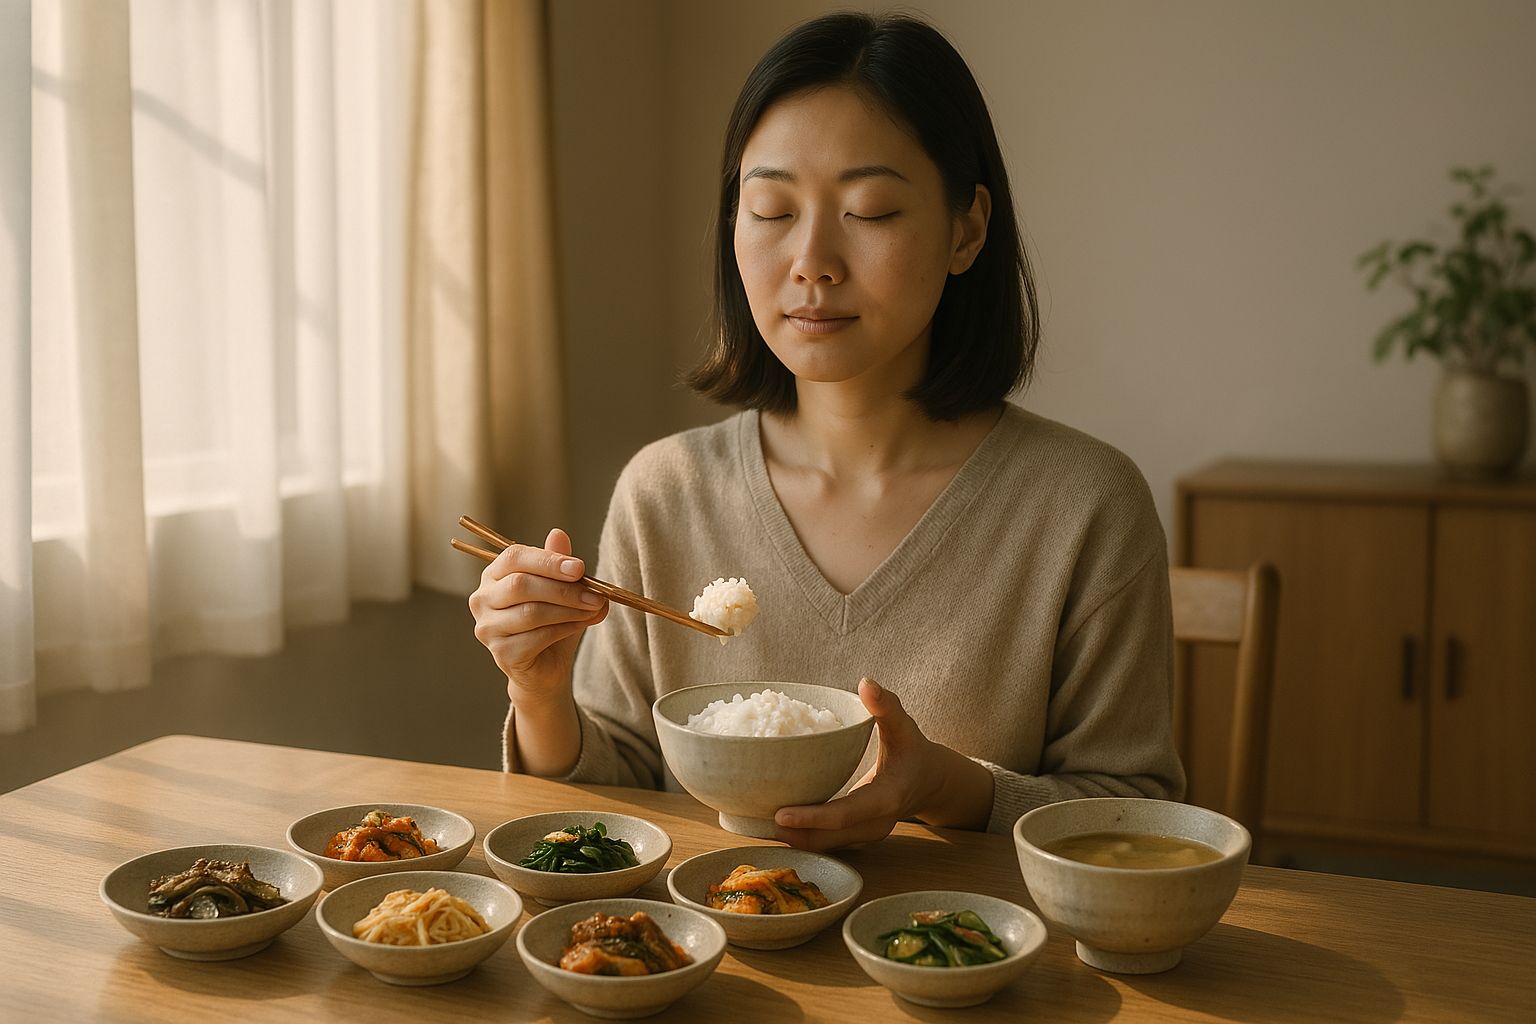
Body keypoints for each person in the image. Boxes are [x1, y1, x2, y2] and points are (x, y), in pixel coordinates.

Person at [469, 11, 1184, 851]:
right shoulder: (667, 490)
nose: (812, 259)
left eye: (871, 210)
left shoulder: (1082, 504)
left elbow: (1135, 812)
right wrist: (541, 695)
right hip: (707, 966)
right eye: (770, 210)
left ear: (967, 229)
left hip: (969, 968)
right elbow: (614, 794)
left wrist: (950, 787)